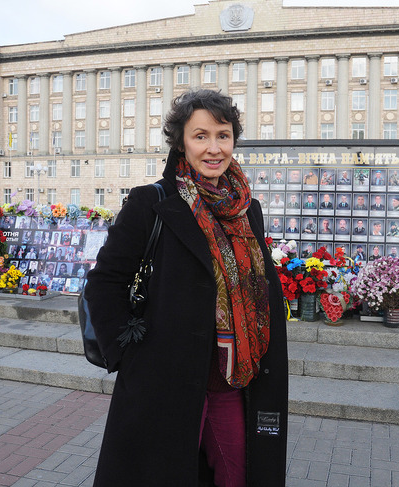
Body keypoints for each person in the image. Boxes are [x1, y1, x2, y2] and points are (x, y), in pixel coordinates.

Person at [84, 90, 288, 486]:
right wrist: (131, 357)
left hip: (231, 380)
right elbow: (104, 282)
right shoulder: (151, 202)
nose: (214, 148)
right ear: (181, 142)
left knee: (240, 474)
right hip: (165, 382)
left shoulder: (247, 209)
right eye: (200, 136)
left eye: (223, 135)